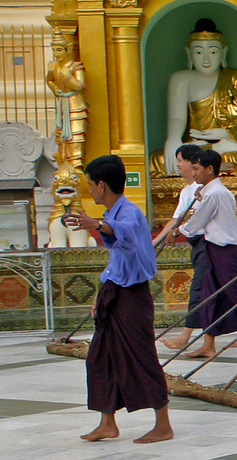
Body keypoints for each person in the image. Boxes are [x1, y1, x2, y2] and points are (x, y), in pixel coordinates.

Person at [65, 155, 174, 444]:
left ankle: (163, 424)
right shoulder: (113, 213)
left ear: (102, 185)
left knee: (142, 357)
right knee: (101, 356)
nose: (89, 189)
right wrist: (101, 295)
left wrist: (97, 225)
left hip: (133, 296)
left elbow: (124, 236)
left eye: (90, 184)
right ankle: (107, 422)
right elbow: (117, 258)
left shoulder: (128, 212)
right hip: (115, 291)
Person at [178, 148, 237, 360]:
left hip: (225, 251)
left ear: (209, 169)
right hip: (214, 248)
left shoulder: (216, 194)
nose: (193, 173)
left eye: (196, 168)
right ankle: (208, 344)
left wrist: (178, 230)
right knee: (209, 296)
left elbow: (196, 223)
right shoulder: (213, 193)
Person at [152, 143, 210, 353]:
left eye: (180, 160)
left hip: (209, 243)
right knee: (226, 293)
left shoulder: (205, 188)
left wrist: (175, 232)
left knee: (198, 289)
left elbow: (191, 218)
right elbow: (177, 218)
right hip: (196, 243)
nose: (177, 165)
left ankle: (185, 336)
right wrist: (156, 241)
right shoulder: (187, 191)